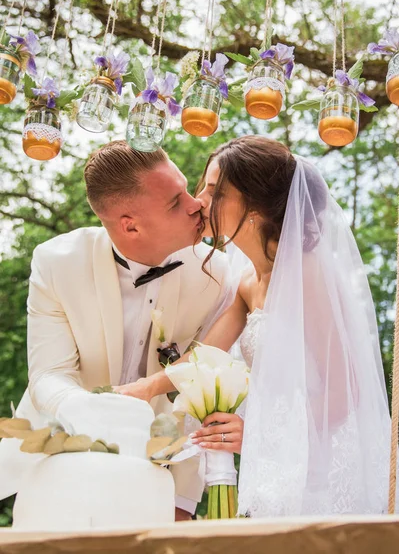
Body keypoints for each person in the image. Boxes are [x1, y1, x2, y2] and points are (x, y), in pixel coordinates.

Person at [138, 135, 392, 516]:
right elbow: (205, 358)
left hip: (322, 468)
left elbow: (345, 391)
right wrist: (141, 389)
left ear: (254, 205)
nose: (199, 201)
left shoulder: (309, 274)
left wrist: (255, 434)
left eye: (214, 192)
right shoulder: (246, 281)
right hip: (276, 467)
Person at [0, 140, 232, 521]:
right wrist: (101, 412)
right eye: (175, 202)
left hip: (157, 481)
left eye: (186, 189)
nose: (196, 205)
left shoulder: (215, 274)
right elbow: (49, 374)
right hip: (60, 467)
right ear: (130, 225)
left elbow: (199, 391)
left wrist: (184, 499)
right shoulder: (56, 262)